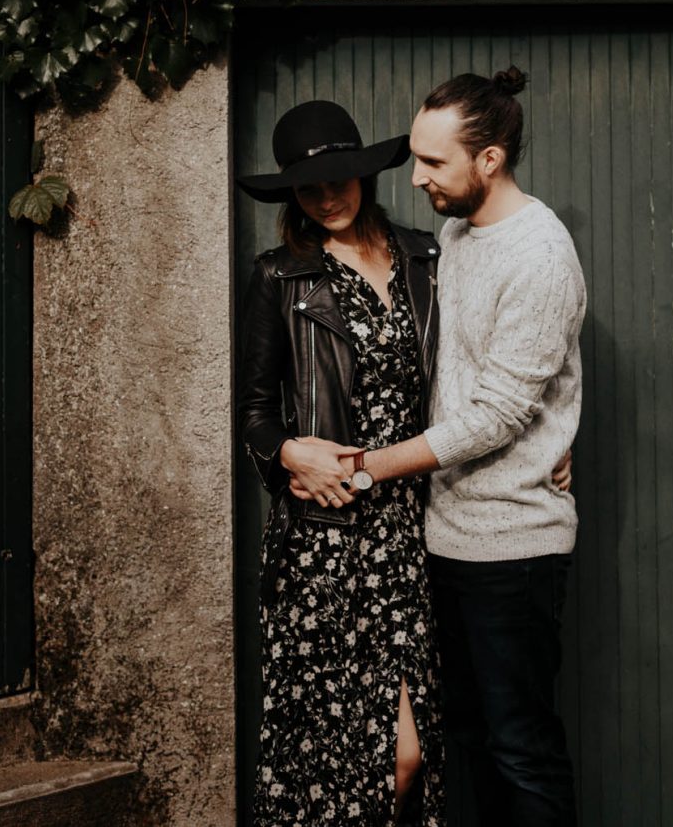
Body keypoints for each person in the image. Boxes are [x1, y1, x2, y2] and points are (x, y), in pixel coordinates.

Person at [293, 67, 584, 827]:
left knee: (522, 749)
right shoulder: (455, 236)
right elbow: (447, 371)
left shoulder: (540, 254)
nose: (415, 178)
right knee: (472, 744)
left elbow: (494, 414)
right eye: (416, 158)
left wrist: (366, 468)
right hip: (443, 539)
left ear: (490, 159)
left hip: (514, 548)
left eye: (433, 162)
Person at [237, 99, 445, 827]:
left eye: (340, 179)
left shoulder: (426, 257)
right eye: (309, 187)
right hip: (322, 545)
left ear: (364, 173)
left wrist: (554, 446)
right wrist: (291, 449)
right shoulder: (280, 277)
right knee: (341, 755)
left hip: (414, 534)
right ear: (291, 193)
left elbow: (488, 375)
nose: (327, 197)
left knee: (409, 753)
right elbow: (253, 411)